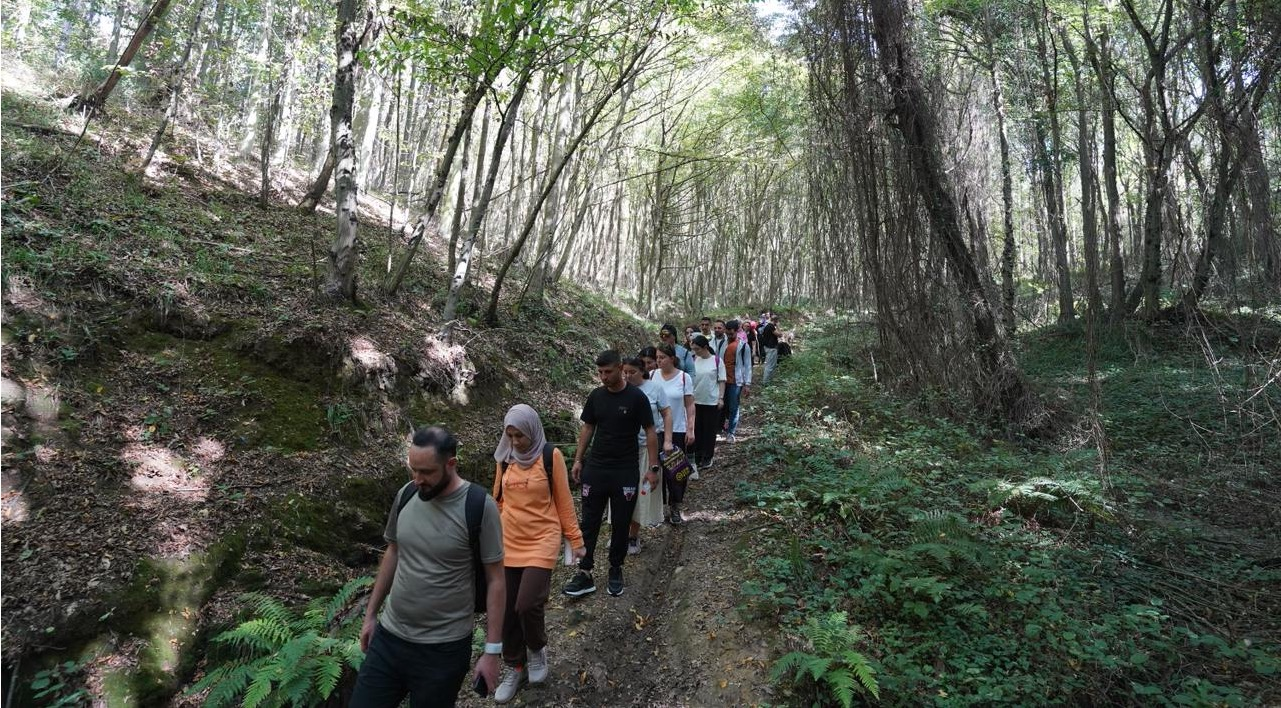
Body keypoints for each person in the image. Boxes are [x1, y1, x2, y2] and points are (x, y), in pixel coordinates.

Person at [351, 427, 505, 708]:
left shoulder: (478, 506)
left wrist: (491, 652)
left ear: (451, 464)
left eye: (427, 472)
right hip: (389, 639)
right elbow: (393, 552)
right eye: (414, 470)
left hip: (443, 650)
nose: (418, 479)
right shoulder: (407, 495)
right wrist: (371, 615)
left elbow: (496, 580)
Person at [489, 405, 585, 703]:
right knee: (506, 610)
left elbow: (564, 500)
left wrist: (575, 538)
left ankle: (537, 649)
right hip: (508, 541)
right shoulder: (504, 459)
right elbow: (498, 500)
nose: (516, 441)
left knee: (527, 604)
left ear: (533, 430)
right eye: (511, 435)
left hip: (542, 538)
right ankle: (514, 665)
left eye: (521, 435)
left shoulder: (549, 456)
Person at [563, 351, 659, 598]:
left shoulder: (637, 397)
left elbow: (650, 431)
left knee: (620, 523)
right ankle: (584, 572)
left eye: (608, 372)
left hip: (625, 469)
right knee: (590, 521)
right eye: (600, 373)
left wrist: (653, 468)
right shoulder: (596, 396)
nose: (604, 377)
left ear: (620, 368)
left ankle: (616, 568)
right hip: (596, 468)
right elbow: (588, 427)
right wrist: (578, 460)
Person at [623, 356, 669, 552]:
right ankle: (621, 533)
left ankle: (633, 536)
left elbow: (667, 413)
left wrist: (667, 440)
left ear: (642, 371)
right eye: (624, 372)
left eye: (631, 372)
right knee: (621, 493)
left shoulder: (655, 388)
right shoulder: (621, 389)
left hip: (646, 449)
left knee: (641, 492)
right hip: (623, 449)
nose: (627, 376)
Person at [653, 343, 696, 524]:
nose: (659, 361)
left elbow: (689, 405)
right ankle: (659, 509)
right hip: (655, 431)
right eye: (657, 358)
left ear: (672, 358)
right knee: (656, 470)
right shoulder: (653, 376)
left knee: (677, 472)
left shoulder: (684, 378)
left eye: (662, 357)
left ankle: (675, 506)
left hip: (678, 429)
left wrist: (690, 428)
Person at [688, 335, 725, 472]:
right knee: (696, 429)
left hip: (711, 401)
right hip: (695, 401)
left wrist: (720, 398)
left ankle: (708, 456)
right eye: (693, 349)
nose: (695, 351)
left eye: (697, 349)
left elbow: (721, 380)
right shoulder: (693, 360)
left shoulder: (716, 361)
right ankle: (697, 456)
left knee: (709, 431)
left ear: (705, 347)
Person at [721, 320, 752, 443]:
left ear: (736, 331)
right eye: (727, 333)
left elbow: (747, 365)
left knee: (734, 406)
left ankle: (731, 432)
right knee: (723, 406)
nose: (729, 336)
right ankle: (723, 426)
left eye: (731, 334)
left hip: (736, 381)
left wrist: (747, 384)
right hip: (722, 380)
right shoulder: (722, 344)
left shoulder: (743, 346)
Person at [760, 314, 781, 384]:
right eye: (777, 321)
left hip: (769, 347)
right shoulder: (771, 326)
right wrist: (778, 326)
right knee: (769, 365)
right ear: (776, 321)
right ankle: (765, 382)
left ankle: (769, 381)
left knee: (772, 365)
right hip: (771, 348)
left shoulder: (767, 326)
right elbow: (780, 334)